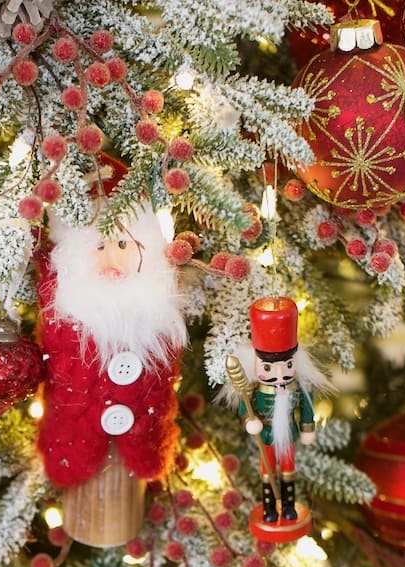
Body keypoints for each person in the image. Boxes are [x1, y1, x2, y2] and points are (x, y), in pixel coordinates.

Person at [35, 157, 188, 546]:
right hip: (73, 449)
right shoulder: (64, 312)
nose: (110, 259)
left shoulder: (159, 315)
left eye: (124, 244)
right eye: (98, 244)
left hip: (137, 457)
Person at [225, 296, 323, 532]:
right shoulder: (255, 389)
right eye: (268, 368)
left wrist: (308, 428)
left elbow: (306, 407)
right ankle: (270, 507)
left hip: (288, 432)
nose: (279, 374)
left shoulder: (297, 387)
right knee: (267, 471)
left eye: (287, 366)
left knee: (288, 469)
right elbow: (245, 406)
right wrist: (250, 420)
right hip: (266, 433)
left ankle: (288, 506)